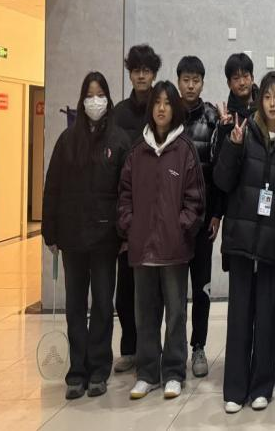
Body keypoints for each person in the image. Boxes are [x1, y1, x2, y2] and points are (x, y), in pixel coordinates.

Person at [43, 72, 131, 399]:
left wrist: (124, 232)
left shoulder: (119, 140)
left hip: (106, 238)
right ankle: (76, 372)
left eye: (100, 95)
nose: (95, 101)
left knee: (104, 305)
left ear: (108, 98)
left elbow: (127, 191)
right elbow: (53, 187)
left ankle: (98, 370)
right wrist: (50, 231)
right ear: (82, 101)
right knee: (75, 306)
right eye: (89, 95)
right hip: (72, 236)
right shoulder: (68, 140)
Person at [213, 71, 275, 413]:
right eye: (268, 97)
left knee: (266, 315)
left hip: (272, 242)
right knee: (239, 316)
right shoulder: (244, 131)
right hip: (242, 237)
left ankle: (262, 386)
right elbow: (222, 180)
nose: (273, 103)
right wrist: (232, 147)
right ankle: (235, 389)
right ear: (260, 101)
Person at [117, 80, 205, 400]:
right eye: (157, 102)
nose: (162, 108)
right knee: (145, 314)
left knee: (176, 313)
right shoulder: (137, 152)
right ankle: (147, 373)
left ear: (174, 108)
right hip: (142, 248)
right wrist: (130, 226)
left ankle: (173, 372)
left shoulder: (184, 150)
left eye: (167, 103)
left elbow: (196, 200)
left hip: (174, 249)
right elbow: (124, 195)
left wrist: (181, 228)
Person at [111, 43, 162, 375]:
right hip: (129, 211)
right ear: (130, 74)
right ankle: (129, 348)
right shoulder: (119, 113)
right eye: (136, 70)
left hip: (157, 210)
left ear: (154, 73)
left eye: (146, 70)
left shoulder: (162, 106)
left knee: (156, 290)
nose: (141, 76)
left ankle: (152, 348)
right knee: (126, 290)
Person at [176, 55, 221, 378]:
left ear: (203, 83)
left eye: (196, 80)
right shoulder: (167, 115)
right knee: (174, 289)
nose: (191, 85)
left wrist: (217, 213)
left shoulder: (212, 117)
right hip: (173, 221)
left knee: (201, 286)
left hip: (204, 220)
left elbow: (218, 172)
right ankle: (175, 347)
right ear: (178, 81)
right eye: (186, 80)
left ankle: (198, 347)